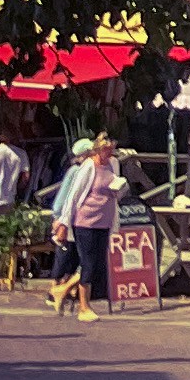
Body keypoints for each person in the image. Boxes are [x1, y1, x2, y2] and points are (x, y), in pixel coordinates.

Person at [49, 133, 122, 323]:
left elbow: (115, 188)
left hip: (104, 220)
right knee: (88, 264)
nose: (109, 153)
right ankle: (84, 306)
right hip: (85, 221)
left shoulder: (114, 164)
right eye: (105, 150)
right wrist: (64, 222)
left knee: (97, 265)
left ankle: (62, 289)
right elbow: (73, 196)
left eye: (111, 149)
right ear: (97, 149)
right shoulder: (88, 166)